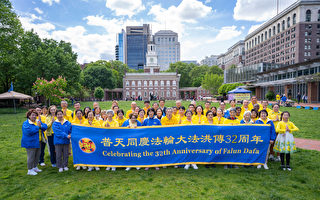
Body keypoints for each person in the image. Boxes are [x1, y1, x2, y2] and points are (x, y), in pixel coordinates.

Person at [21, 109, 48, 175]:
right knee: (31, 156)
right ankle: (29, 170)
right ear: (29, 116)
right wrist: (38, 127)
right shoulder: (26, 123)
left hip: (39, 141)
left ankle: (35, 167)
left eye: (35, 115)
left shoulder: (37, 121)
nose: (34, 116)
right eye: (32, 115)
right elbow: (29, 131)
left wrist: (40, 126)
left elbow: (45, 126)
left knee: (37, 155)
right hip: (30, 142)